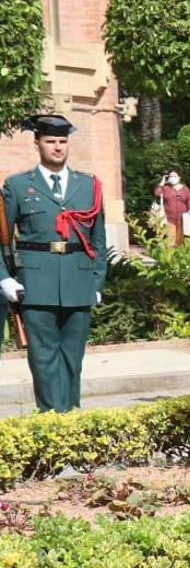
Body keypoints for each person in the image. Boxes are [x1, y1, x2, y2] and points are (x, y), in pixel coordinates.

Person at [0, 114, 107, 413]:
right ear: (37, 144)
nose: (58, 147)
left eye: (62, 141)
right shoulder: (18, 186)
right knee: (43, 359)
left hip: (79, 281)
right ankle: (51, 420)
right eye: (50, 141)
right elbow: (2, 239)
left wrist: (97, 282)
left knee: (73, 358)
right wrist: (5, 278)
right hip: (35, 284)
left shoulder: (89, 185)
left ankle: (71, 418)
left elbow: (98, 240)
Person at [154, 168, 190, 245]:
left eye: (174, 176)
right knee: (170, 241)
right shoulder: (166, 188)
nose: (172, 178)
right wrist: (162, 182)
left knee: (180, 241)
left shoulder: (185, 189)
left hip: (183, 219)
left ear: (179, 178)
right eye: (170, 176)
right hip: (169, 218)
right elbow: (157, 193)